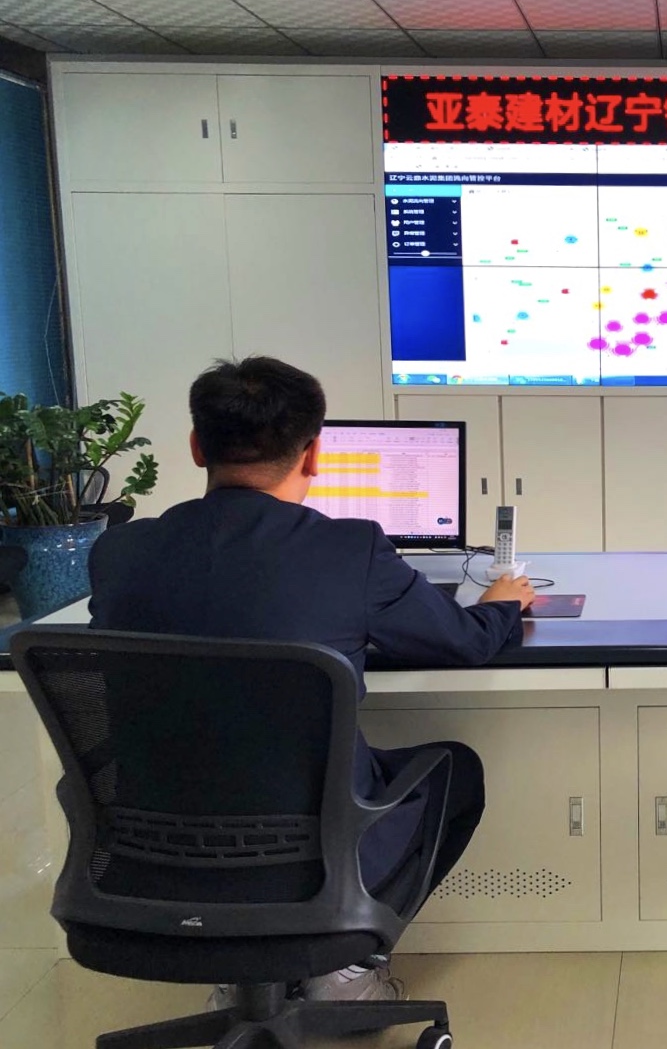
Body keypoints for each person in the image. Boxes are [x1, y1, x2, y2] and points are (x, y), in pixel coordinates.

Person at [87, 356, 535, 1005]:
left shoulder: (119, 552)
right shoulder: (351, 549)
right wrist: (501, 603)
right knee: (454, 770)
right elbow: (464, 642)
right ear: (315, 454)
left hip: (145, 852)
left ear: (196, 447)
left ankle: (240, 972)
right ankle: (345, 964)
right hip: (311, 853)